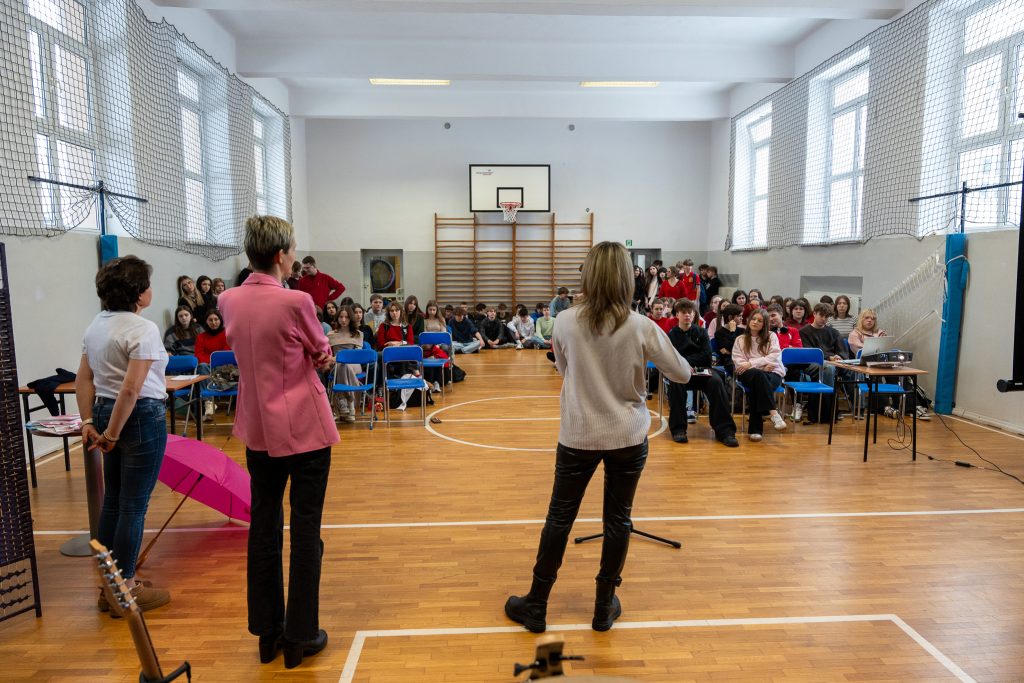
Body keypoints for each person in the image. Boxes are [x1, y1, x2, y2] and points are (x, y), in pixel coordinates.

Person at [505, 241, 691, 635]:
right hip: (628, 435)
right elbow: (683, 374)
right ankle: (603, 607)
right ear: (626, 279)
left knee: (559, 518)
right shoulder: (641, 325)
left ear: (588, 276)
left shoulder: (565, 320)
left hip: (578, 434)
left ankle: (537, 604)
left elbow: (564, 371)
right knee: (618, 520)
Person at [217, 216, 337, 669]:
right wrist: (321, 356)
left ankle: (267, 634)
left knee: (263, 528)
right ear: (280, 254)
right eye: (292, 250)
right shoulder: (296, 301)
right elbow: (321, 353)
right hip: (304, 428)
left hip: (258, 430)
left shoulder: (228, 299)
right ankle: (300, 635)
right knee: (306, 531)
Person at [76, 255, 170, 613]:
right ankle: (125, 589)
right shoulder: (142, 329)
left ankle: (109, 587)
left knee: (113, 501)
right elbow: (131, 389)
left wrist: (88, 421)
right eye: (147, 284)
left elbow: (84, 378)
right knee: (133, 505)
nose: (150, 289)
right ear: (138, 293)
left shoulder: (96, 325)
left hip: (103, 410)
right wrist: (113, 434)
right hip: (138, 417)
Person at [666, 299, 738, 446]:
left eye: (690, 312)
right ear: (677, 315)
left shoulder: (701, 332)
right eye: (684, 312)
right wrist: (685, 365)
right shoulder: (671, 335)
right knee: (676, 383)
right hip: (681, 371)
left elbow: (706, 356)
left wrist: (686, 361)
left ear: (694, 315)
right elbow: (671, 357)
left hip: (700, 370)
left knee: (716, 382)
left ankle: (725, 431)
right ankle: (678, 430)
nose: (687, 315)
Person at [731, 309, 788, 440]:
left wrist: (751, 363)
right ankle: (773, 413)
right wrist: (761, 365)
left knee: (757, 384)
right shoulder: (740, 339)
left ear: (765, 324)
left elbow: (774, 356)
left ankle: (755, 430)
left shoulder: (771, 336)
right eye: (753, 319)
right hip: (748, 374)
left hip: (772, 374)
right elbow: (739, 362)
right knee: (758, 375)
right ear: (748, 320)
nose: (755, 322)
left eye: (760, 320)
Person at [799, 302, 849, 424]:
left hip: (832, 364)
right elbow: (809, 352)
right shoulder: (804, 331)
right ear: (814, 314)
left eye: (827, 317)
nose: (824, 319)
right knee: (827, 369)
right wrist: (829, 357)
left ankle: (820, 413)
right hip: (811, 363)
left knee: (840, 369)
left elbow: (843, 351)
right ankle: (829, 413)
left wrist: (838, 357)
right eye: (821, 315)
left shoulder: (834, 332)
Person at [327, 305, 364, 423]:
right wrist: (333, 358)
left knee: (344, 364)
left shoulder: (358, 334)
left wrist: (340, 358)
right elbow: (327, 354)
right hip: (336, 365)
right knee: (342, 365)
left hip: (354, 364)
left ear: (351, 318)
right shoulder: (330, 334)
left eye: (346, 317)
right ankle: (351, 405)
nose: (343, 320)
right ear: (337, 318)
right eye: (341, 317)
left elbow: (357, 355)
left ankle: (343, 401)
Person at [195, 308, 232, 421]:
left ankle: (208, 404)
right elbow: (198, 355)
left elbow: (226, 354)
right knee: (202, 366)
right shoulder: (200, 337)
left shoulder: (227, 334)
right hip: (207, 369)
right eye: (210, 320)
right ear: (206, 322)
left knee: (204, 366)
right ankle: (209, 403)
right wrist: (214, 359)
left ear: (220, 320)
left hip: (224, 370)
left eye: (216, 319)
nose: (213, 322)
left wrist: (212, 359)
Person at [713, 304, 744, 374]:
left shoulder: (742, 331)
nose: (742, 318)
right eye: (739, 316)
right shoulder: (719, 333)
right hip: (729, 362)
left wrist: (730, 351)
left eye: (741, 316)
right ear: (730, 317)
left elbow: (741, 349)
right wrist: (732, 332)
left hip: (742, 359)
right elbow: (733, 348)